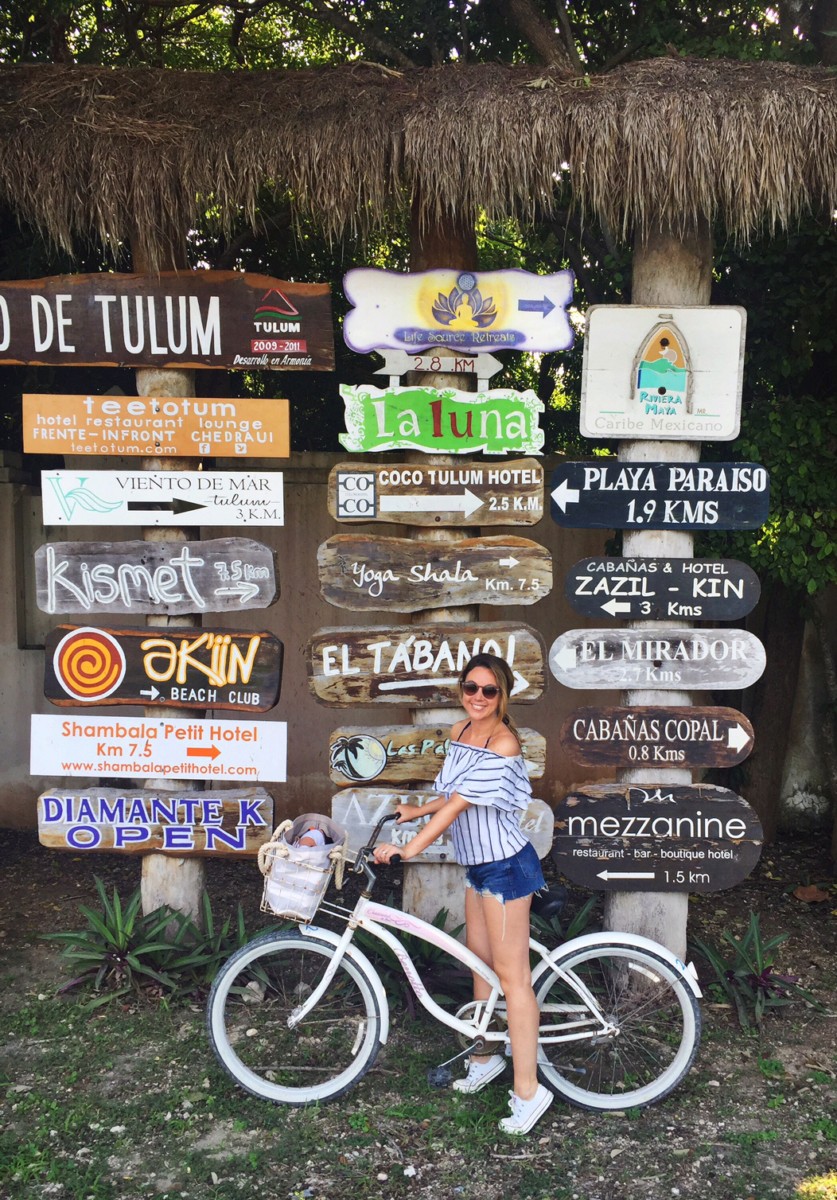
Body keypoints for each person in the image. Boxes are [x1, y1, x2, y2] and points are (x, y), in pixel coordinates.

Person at [373, 652, 552, 1136]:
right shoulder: (459, 733)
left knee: (513, 980)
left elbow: (456, 809)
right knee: (478, 965)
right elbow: (451, 795)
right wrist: (415, 810)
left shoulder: (504, 744)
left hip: (507, 869)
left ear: (503, 696)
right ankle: (485, 1057)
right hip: (476, 865)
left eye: (488, 690)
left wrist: (409, 848)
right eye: (470, 687)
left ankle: (529, 1093)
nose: (477, 697)